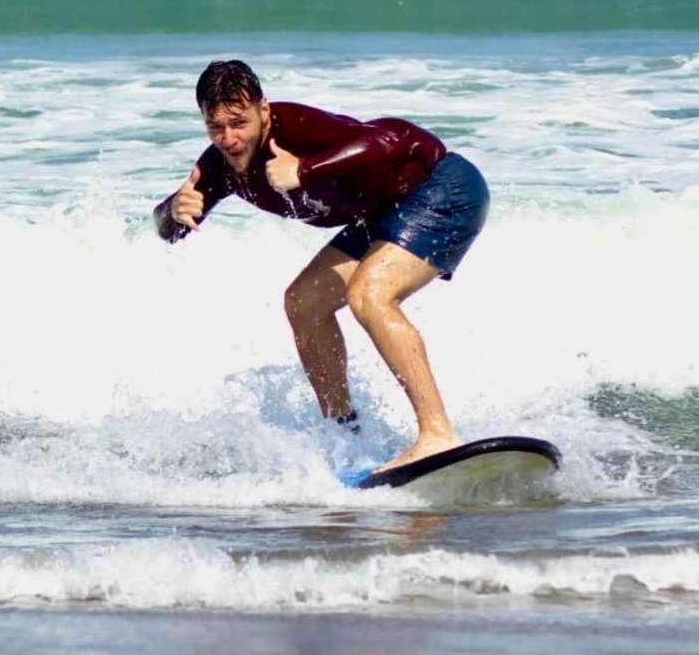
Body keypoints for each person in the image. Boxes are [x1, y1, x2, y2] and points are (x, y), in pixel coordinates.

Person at [153, 60, 489, 472]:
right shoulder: (219, 167)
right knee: (304, 301)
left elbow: (392, 141)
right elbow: (169, 229)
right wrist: (173, 210)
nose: (230, 138)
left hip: (442, 187)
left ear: (264, 110)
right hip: (383, 214)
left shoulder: (296, 130)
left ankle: (437, 435)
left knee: (370, 294)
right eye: (215, 126)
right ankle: (344, 437)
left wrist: (305, 169)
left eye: (239, 123)